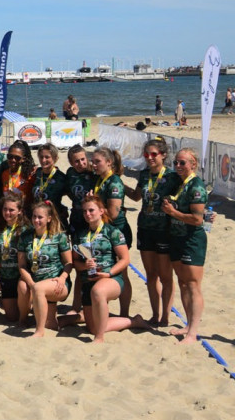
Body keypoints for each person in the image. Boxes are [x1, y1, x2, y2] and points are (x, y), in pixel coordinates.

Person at [72, 197, 148, 343]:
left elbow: (125, 259)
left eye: (91, 210)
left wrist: (109, 273)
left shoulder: (112, 231)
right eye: (85, 211)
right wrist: (84, 266)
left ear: (101, 211)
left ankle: (99, 338)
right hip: (88, 279)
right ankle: (133, 322)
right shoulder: (80, 234)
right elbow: (75, 261)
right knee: (93, 327)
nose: (88, 214)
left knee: (98, 292)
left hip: (111, 278)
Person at [124, 138, 180, 327]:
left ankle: (165, 316)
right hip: (145, 229)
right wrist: (118, 183)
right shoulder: (144, 174)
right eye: (146, 154)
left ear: (163, 155)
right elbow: (136, 196)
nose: (149, 158)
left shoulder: (173, 176)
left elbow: (186, 198)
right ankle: (155, 315)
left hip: (165, 230)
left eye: (154, 154)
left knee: (166, 276)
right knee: (151, 274)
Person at [162, 148, 209, 344]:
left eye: (183, 163)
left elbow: (198, 220)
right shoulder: (178, 182)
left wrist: (174, 213)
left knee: (193, 285)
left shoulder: (196, 186)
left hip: (192, 240)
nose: (178, 166)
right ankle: (188, 325)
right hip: (176, 238)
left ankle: (193, 332)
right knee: (182, 283)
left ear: (193, 164)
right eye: (176, 163)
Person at [17, 202, 72, 336]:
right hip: (35, 280)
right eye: (34, 217)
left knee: (39, 289)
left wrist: (62, 277)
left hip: (56, 281)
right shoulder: (25, 237)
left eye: (40, 217)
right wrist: (31, 283)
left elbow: (69, 263)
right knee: (23, 286)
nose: (36, 220)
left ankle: (39, 331)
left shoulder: (59, 236)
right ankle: (23, 319)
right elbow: (22, 266)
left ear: (49, 218)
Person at [89, 147, 133, 314]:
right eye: (93, 161)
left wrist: (94, 206)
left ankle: (124, 312)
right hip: (105, 229)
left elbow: (113, 213)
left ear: (109, 162)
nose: (93, 165)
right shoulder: (101, 179)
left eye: (97, 161)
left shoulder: (113, 181)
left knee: (122, 272)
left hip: (117, 229)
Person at [0, 191, 28, 323]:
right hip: (6, 277)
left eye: (11, 210)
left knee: (23, 316)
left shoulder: (27, 230)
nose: (7, 213)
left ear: (20, 211)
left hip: (22, 277)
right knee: (11, 317)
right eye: (5, 209)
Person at [33, 144, 68, 223]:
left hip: (54, 219)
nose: (43, 160)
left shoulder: (61, 177)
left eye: (47, 157)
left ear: (55, 158)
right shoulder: (36, 173)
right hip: (37, 218)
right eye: (41, 157)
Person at [0, 140, 36, 209]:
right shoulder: (5, 174)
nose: (13, 160)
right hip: (8, 213)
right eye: (10, 156)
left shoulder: (30, 174)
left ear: (23, 159)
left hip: (24, 214)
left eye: (17, 158)